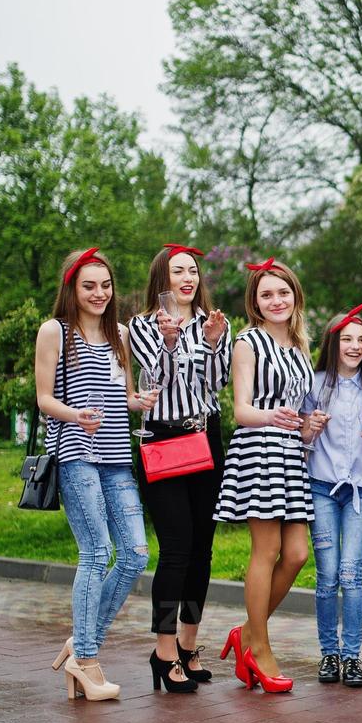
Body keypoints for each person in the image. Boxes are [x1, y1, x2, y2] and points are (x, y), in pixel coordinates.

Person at [35, 248, 159, 701]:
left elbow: (121, 395)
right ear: (72, 287)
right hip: (75, 451)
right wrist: (75, 415)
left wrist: (138, 403)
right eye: (89, 285)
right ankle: (86, 659)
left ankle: (81, 643)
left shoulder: (119, 334)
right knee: (97, 552)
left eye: (105, 285)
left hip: (115, 456)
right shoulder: (55, 331)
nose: (99, 293)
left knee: (135, 554)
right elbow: (44, 398)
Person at [129, 243, 231, 693]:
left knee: (203, 549)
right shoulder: (141, 326)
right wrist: (170, 342)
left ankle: (189, 645)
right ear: (162, 278)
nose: (187, 278)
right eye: (178, 271)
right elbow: (157, 381)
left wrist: (210, 343)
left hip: (206, 438)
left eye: (192, 271)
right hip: (164, 441)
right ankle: (164, 650)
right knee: (176, 549)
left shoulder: (214, 324)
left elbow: (216, 384)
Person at [214, 257, 314, 694]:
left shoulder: (298, 345)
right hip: (259, 450)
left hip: (292, 455)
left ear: (295, 296)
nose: (276, 301)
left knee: (296, 554)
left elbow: (299, 409)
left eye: (283, 292)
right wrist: (273, 417)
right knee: (267, 549)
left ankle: (246, 634)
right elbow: (240, 411)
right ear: (255, 302)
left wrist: (308, 426)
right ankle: (262, 650)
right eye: (267, 294)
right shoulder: (247, 342)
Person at [301, 303, 362, 689]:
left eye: (361, 339)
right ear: (332, 343)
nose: (355, 346)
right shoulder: (314, 384)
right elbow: (299, 437)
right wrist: (308, 428)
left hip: (361, 491)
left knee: (351, 575)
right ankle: (328, 654)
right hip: (321, 487)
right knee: (327, 575)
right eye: (347, 339)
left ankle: (352, 657)